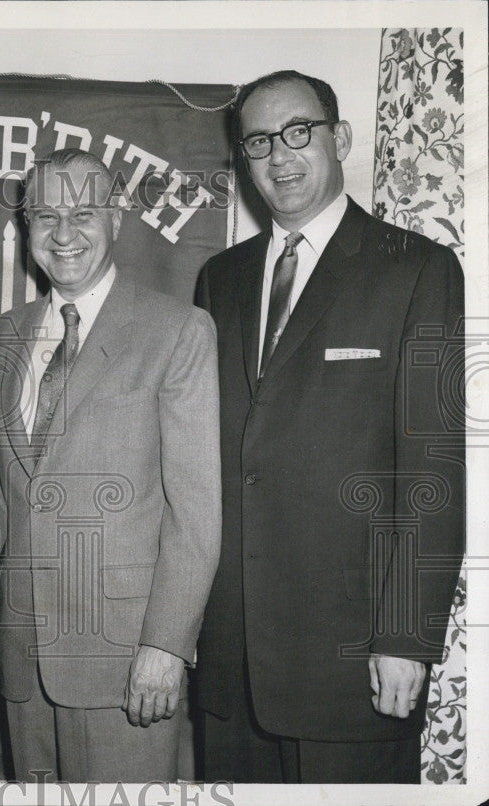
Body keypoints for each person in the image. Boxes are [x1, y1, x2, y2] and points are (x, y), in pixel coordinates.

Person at [194, 69, 465, 783]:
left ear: (338, 138)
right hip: (230, 665)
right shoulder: (218, 280)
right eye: (258, 141)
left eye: (298, 133)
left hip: (353, 665)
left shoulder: (417, 269)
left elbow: (433, 473)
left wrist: (406, 638)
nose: (280, 155)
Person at [0, 148, 222, 782]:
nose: (63, 234)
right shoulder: (3, 335)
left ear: (115, 217)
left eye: (82, 213)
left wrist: (166, 646)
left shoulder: (178, 331)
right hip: (23, 655)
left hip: (127, 660)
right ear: (25, 227)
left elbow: (195, 513)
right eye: (44, 215)